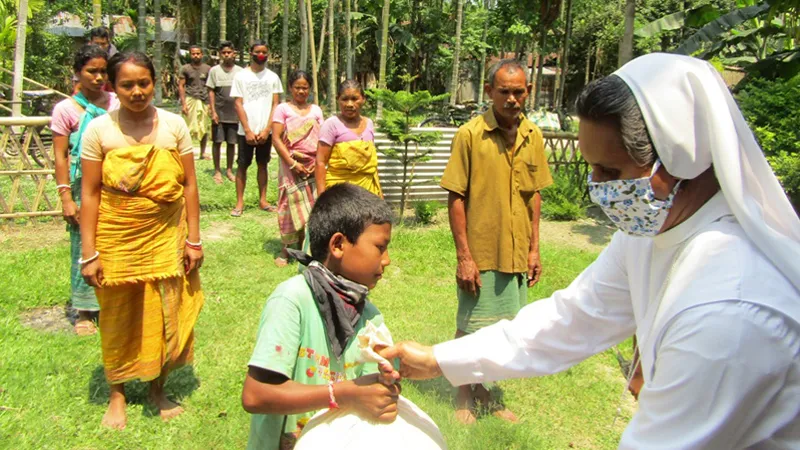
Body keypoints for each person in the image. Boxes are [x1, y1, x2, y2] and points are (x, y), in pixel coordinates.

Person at [381, 53, 800, 448]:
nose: (597, 189)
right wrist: (441, 358)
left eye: (611, 172)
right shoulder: (648, 234)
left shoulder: (730, 312)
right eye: (592, 168)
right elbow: (574, 317)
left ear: (679, 161)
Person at [80, 51, 204, 430]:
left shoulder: (173, 126)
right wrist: (89, 253)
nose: (137, 91)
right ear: (112, 87)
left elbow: (189, 185)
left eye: (144, 83)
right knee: (118, 313)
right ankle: (117, 393)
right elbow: (90, 193)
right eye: (127, 85)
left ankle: (157, 388)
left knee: (165, 310)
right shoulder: (99, 130)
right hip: (116, 237)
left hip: (167, 236)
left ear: (155, 82)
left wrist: (194, 240)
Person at [242, 183, 400, 450]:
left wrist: (384, 393)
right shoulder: (292, 300)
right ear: (338, 244)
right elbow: (256, 395)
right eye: (380, 247)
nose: (387, 260)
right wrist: (344, 393)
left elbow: (370, 391)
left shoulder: (371, 318)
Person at [439, 59, 552, 424]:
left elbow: (533, 195)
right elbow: (455, 196)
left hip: (517, 250)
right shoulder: (470, 135)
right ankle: (462, 395)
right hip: (482, 248)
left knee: (505, 327)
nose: (512, 98)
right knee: (471, 323)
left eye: (518, 91)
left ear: (528, 92)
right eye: (504, 91)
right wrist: (464, 257)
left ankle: (487, 392)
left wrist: (534, 248)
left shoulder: (533, 135)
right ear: (490, 92)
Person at [51, 44, 120, 336]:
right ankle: (83, 310)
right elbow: (60, 156)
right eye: (92, 71)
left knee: (115, 241)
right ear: (78, 73)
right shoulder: (65, 109)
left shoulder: (117, 102)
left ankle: (112, 304)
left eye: (103, 71)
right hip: (82, 186)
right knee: (84, 244)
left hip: (116, 183)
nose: (98, 77)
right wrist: (66, 197)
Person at [271, 70, 325, 267]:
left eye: (305, 87)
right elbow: (276, 138)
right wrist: (293, 164)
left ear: (310, 89)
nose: (301, 91)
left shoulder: (316, 110)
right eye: (297, 87)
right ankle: (286, 249)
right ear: (291, 88)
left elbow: (322, 138)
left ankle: (307, 247)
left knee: (312, 205)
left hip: (312, 165)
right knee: (289, 204)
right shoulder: (282, 109)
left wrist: (316, 164)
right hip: (290, 165)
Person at [230, 40, 283, 216]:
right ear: (250, 53)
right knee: (242, 165)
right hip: (245, 131)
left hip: (264, 132)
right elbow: (238, 104)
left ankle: (263, 200)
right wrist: (247, 130)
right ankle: (239, 203)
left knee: (263, 164)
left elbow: (276, 104)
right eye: (257, 52)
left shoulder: (273, 77)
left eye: (264, 52)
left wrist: (267, 129)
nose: (261, 55)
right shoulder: (240, 76)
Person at [315, 80, 381, 197]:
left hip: (368, 193)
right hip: (340, 195)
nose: (349, 104)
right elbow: (320, 162)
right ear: (338, 99)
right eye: (344, 99)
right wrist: (322, 200)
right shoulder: (331, 125)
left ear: (363, 99)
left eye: (355, 99)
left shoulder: (369, 124)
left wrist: (379, 193)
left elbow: (371, 164)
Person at [206, 40, 242, 184]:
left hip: (234, 114)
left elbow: (242, 93)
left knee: (232, 143)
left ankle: (228, 169)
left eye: (229, 52)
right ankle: (217, 171)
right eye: (224, 53)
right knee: (217, 141)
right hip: (219, 113)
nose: (227, 55)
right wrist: (213, 111)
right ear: (220, 55)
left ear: (234, 54)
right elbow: (210, 91)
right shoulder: (214, 71)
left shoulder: (240, 72)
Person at [178, 45, 211, 160]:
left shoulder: (207, 69)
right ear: (190, 54)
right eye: (193, 53)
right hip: (190, 98)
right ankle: (187, 152)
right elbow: (181, 86)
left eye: (198, 53)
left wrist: (211, 104)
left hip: (204, 100)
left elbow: (210, 87)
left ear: (202, 55)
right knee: (188, 128)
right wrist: (183, 104)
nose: (195, 55)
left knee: (204, 126)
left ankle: (202, 153)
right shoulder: (185, 69)